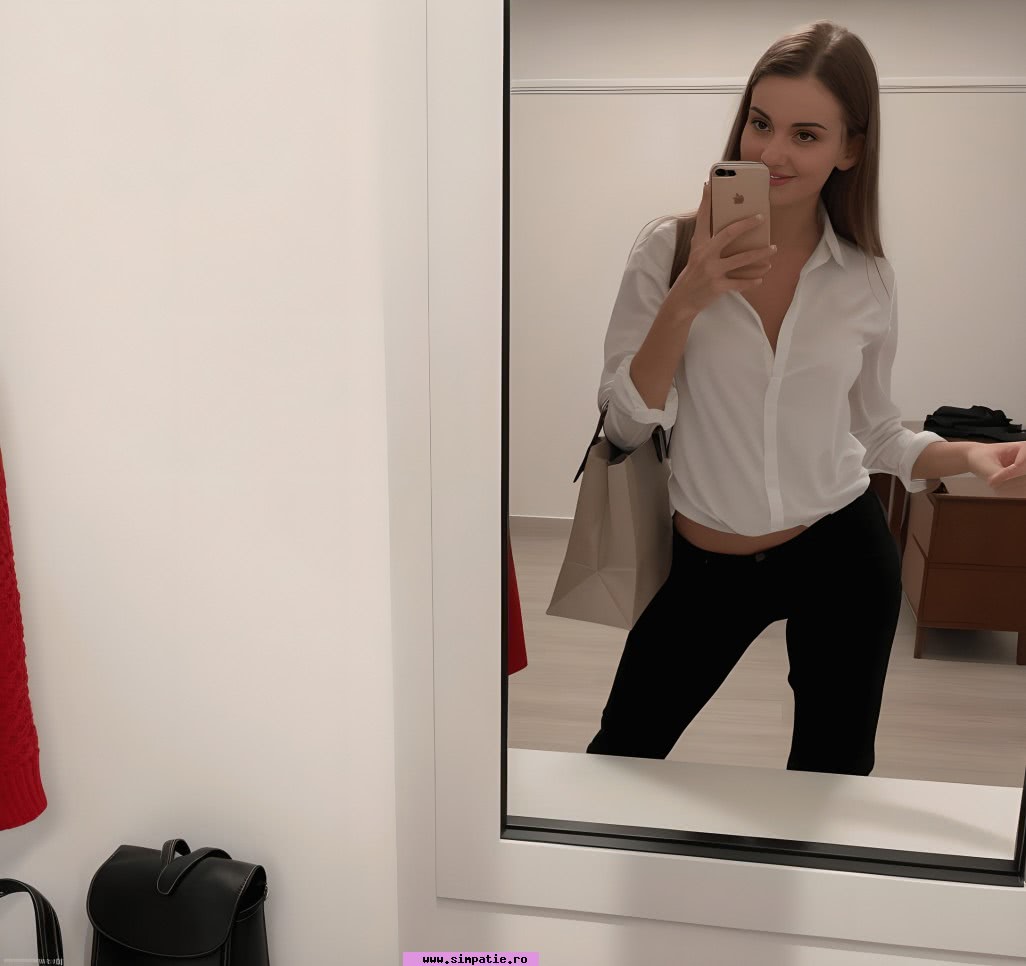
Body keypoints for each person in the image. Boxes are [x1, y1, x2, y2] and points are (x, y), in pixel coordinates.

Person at [585, 20, 1026, 775]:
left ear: (849, 149)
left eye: (806, 135)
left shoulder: (866, 278)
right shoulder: (668, 250)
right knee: (621, 753)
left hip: (839, 551)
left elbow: (877, 432)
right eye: (760, 123)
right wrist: (688, 298)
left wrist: (972, 456)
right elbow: (623, 425)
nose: (770, 154)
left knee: (833, 772)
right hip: (706, 560)